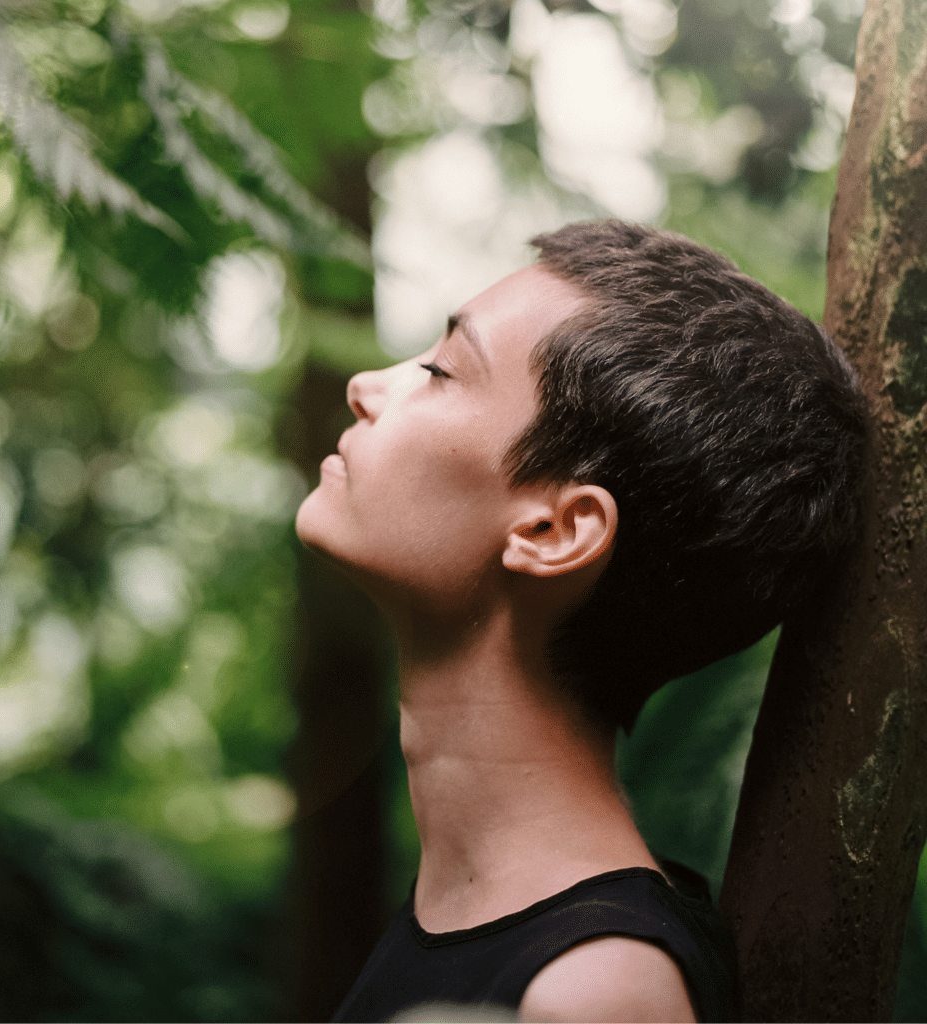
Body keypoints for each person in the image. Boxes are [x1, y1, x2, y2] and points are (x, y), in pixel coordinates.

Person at [295, 220, 868, 1023]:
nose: (366, 385)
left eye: (440, 370)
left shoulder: (594, 994)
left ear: (552, 532)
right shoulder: (478, 916)